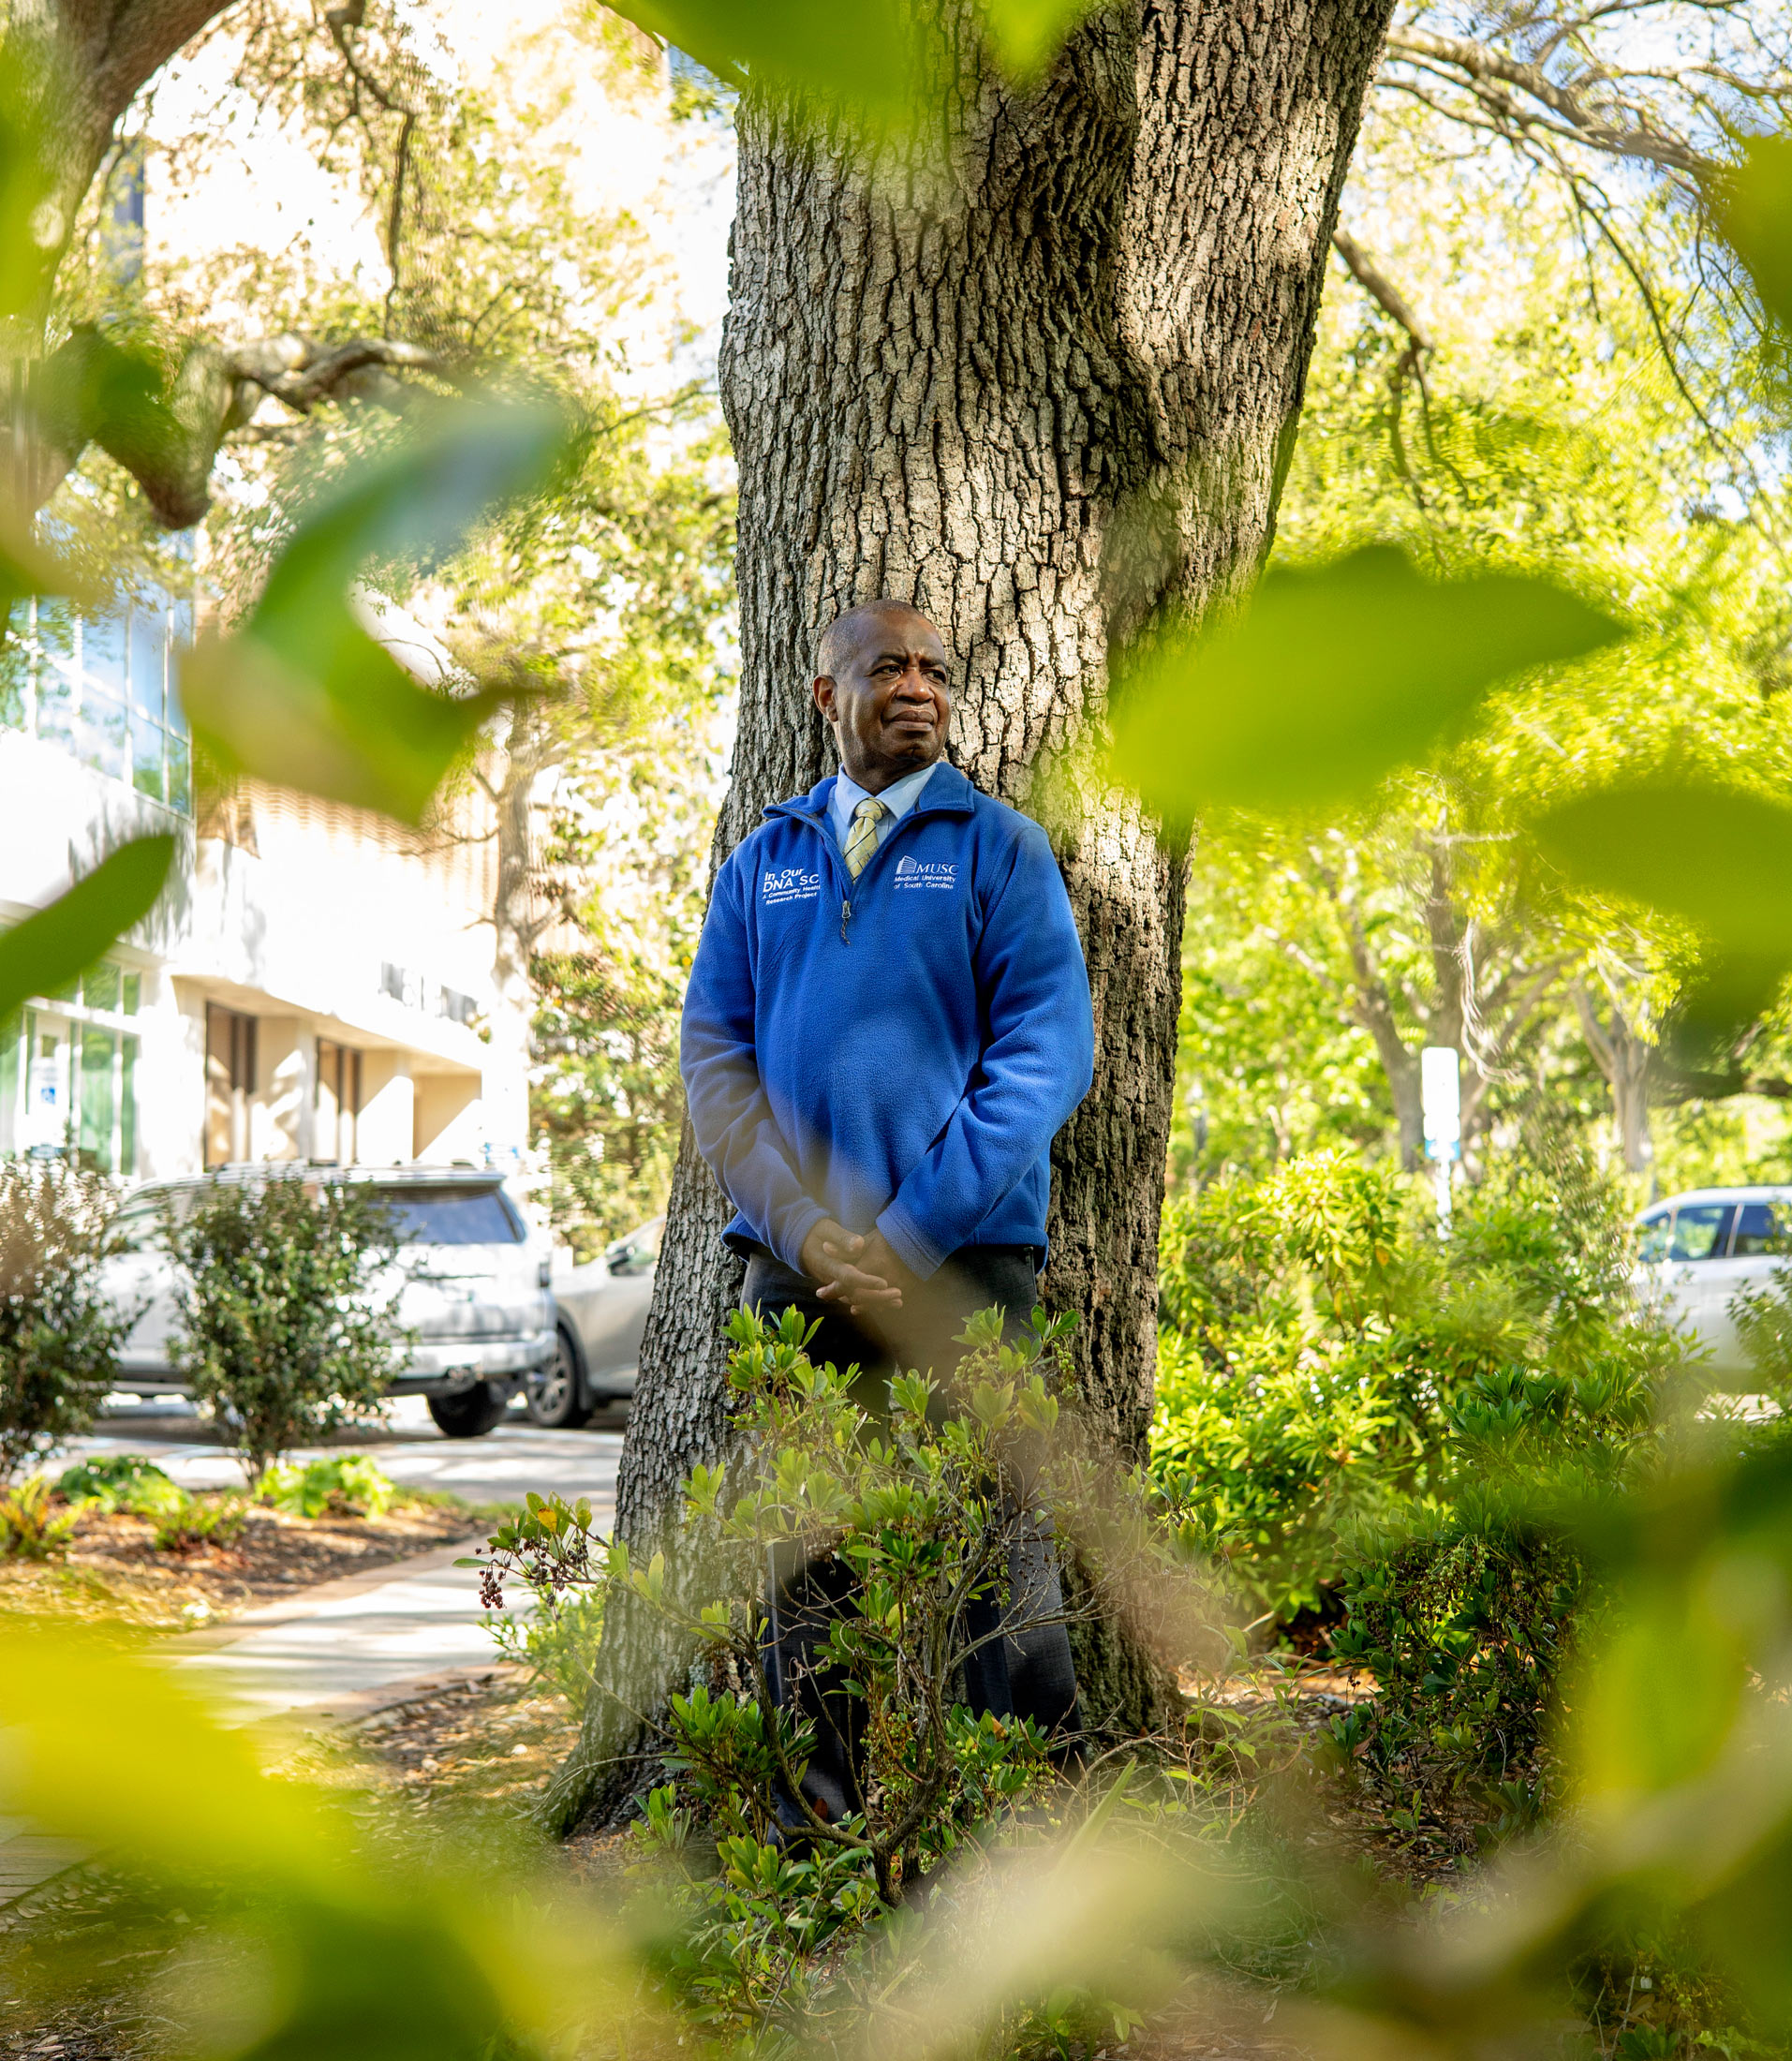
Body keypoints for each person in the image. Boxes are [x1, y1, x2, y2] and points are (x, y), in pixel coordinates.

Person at [680, 596, 1097, 1825]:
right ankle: (814, 1839)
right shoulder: (765, 863)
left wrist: (907, 1236)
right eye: (885, 668)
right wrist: (805, 1230)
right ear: (825, 697)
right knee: (804, 1560)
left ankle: (1017, 1844)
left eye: (933, 669)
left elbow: (1045, 1055)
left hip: (963, 1263)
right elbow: (716, 1061)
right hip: (793, 1272)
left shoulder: (996, 847)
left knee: (990, 1549)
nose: (916, 687)